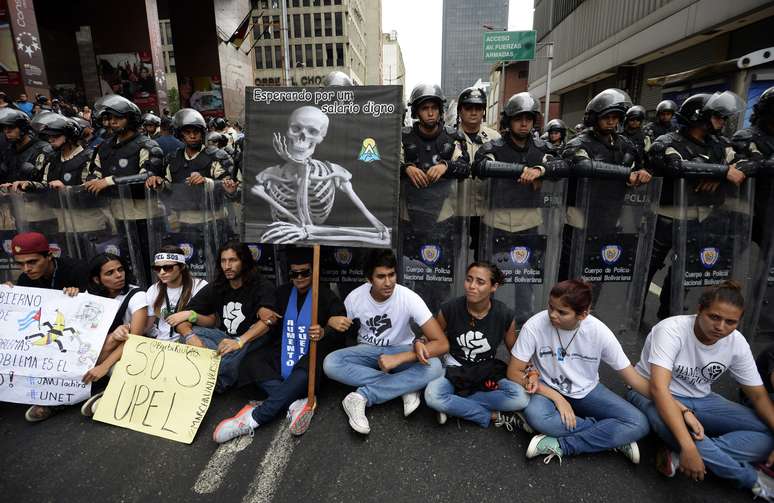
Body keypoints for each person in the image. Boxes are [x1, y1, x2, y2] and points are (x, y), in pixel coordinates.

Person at [627, 281, 774, 500]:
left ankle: (679, 454)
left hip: (702, 399)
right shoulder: (672, 330)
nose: (721, 327)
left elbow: (758, 395)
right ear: (699, 310)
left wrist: (691, 450)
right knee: (685, 438)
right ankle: (755, 482)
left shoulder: (736, 343)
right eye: (714, 317)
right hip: (649, 393)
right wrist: (688, 445)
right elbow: (659, 389)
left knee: (768, 433)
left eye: (730, 322)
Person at [212, 247, 350, 442]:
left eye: (305, 272)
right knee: (252, 361)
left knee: (308, 366)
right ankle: (294, 402)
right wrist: (263, 312)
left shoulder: (326, 295)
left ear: (314, 272)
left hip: (311, 355)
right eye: (295, 273)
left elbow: (340, 329)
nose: (300, 277)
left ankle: (254, 418)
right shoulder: (282, 292)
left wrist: (325, 329)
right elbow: (269, 314)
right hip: (284, 348)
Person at [507, 279, 651, 464]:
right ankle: (611, 436)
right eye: (551, 307)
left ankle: (562, 445)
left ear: (583, 314)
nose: (552, 315)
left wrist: (671, 403)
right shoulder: (534, 326)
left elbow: (634, 378)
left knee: (639, 423)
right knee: (539, 418)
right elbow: (513, 371)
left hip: (587, 391)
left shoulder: (599, 332)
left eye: (562, 312)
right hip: (547, 389)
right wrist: (557, 397)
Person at [323, 249, 448, 435]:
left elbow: (442, 343)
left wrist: (401, 358)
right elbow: (337, 331)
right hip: (367, 351)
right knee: (331, 363)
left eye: (392, 275)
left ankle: (361, 396)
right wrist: (329, 321)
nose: (388, 282)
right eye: (381, 277)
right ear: (369, 279)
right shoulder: (355, 298)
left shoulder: (408, 297)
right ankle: (406, 386)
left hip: (401, 351)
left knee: (435, 366)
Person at [646, 92, 746, 319]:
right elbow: (677, 166)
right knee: (646, 272)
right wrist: (721, 171)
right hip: (665, 217)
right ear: (699, 117)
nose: (722, 122)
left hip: (699, 218)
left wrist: (718, 174)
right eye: (718, 117)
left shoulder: (718, 145)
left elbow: (741, 166)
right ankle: (631, 321)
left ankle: (668, 321)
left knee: (683, 276)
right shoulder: (667, 142)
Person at [424, 261, 532, 428]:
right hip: (455, 369)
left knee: (520, 397)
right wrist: (419, 342)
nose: (471, 286)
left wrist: (531, 372)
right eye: (469, 279)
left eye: (480, 282)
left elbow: (516, 351)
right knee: (432, 396)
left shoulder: (504, 314)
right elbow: (432, 338)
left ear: (494, 287)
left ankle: (456, 406)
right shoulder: (450, 309)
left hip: (486, 371)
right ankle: (492, 415)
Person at [400, 83, 470, 314]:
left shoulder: (453, 136)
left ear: (440, 110)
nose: (430, 113)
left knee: (441, 276)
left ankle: (440, 323)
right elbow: (385, 163)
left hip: (442, 217)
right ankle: (415, 323)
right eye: (424, 108)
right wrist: (407, 168)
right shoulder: (403, 137)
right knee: (413, 273)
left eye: (433, 107)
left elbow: (466, 167)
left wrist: (446, 166)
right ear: (415, 112)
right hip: (409, 216)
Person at [174, 241, 277, 392]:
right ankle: (217, 370)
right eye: (223, 261)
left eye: (233, 260)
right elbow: (181, 321)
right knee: (185, 337)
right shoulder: (217, 286)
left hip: (250, 340)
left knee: (243, 354)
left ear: (245, 262)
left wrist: (239, 341)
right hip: (224, 339)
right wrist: (190, 337)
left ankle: (215, 377)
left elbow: (268, 321)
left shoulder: (262, 286)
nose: (227, 266)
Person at [80, 252, 148, 417]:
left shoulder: (137, 295)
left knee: (118, 369)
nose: (119, 275)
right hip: (99, 350)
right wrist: (71, 295)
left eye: (120, 269)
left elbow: (135, 338)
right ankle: (57, 400)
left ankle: (110, 396)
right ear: (97, 279)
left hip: (130, 350)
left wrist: (104, 367)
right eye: (110, 273)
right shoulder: (90, 295)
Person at [145, 245, 208, 342]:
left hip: (191, 344)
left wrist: (190, 315)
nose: (161, 272)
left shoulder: (199, 286)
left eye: (168, 267)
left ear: (182, 267)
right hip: (163, 345)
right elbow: (147, 326)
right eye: (157, 268)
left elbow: (212, 322)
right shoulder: (154, 289)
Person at [9, 231, 87, 292]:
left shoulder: (77, 271)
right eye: (20, 264)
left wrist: (77, 294)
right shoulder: (24, 279)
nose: (26, 269)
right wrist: (7, 292)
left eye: (32, 262)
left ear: (49, 255)